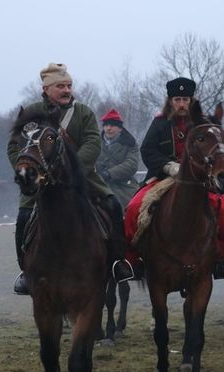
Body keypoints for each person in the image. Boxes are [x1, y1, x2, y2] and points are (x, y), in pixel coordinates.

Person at [7, 63, 134, 295]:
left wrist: (71, 168)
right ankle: (26, 272)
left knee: (113, 205)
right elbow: (16, 147)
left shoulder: (83, 112)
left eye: (69, 85)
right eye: (60, 86)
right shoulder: (31, 114)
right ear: (46, 89)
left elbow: (93, 143)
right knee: (24, 216)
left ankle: (117, 262)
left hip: (80, 177)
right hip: (39, 182)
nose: (66, 90)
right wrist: (27, 171)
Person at [124, 77, 224, 280]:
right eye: (177, 99)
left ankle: (221, 258)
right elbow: (147, 150)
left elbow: (215, 148)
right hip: (163, 177)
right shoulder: (160, 122)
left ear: (191, 100)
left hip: (199, 180)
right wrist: (169, 166)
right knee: (135, 207)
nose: (181, 104)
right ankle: (135, 260)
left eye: (185, 99)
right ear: (170, 100)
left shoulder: (203, 123)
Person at [96, 109, 140, 211]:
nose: (109, 128)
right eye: (106, 125)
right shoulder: (95, 142)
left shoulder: (130, 143)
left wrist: (109, 173)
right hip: (99, 183)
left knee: (134, 208)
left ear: (120, 128)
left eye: (112, 126)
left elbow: (131, 165)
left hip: (124, 185)